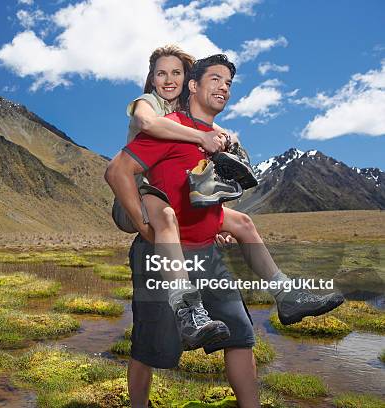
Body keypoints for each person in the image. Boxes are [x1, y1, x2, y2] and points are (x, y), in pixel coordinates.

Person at [111, 45, 344, 335]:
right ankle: (186, 309)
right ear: (152, 78)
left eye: (176, 73)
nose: (169, 80)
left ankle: (287, 296)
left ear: (187, 81)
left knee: (243, 223)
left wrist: (223, 138)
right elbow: (145, 126)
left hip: (168, 195)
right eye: (161, 73)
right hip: (135, 194)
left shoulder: (184, 112)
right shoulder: (149, 103)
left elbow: (207, 129)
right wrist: (145, 228)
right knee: (167, 217)